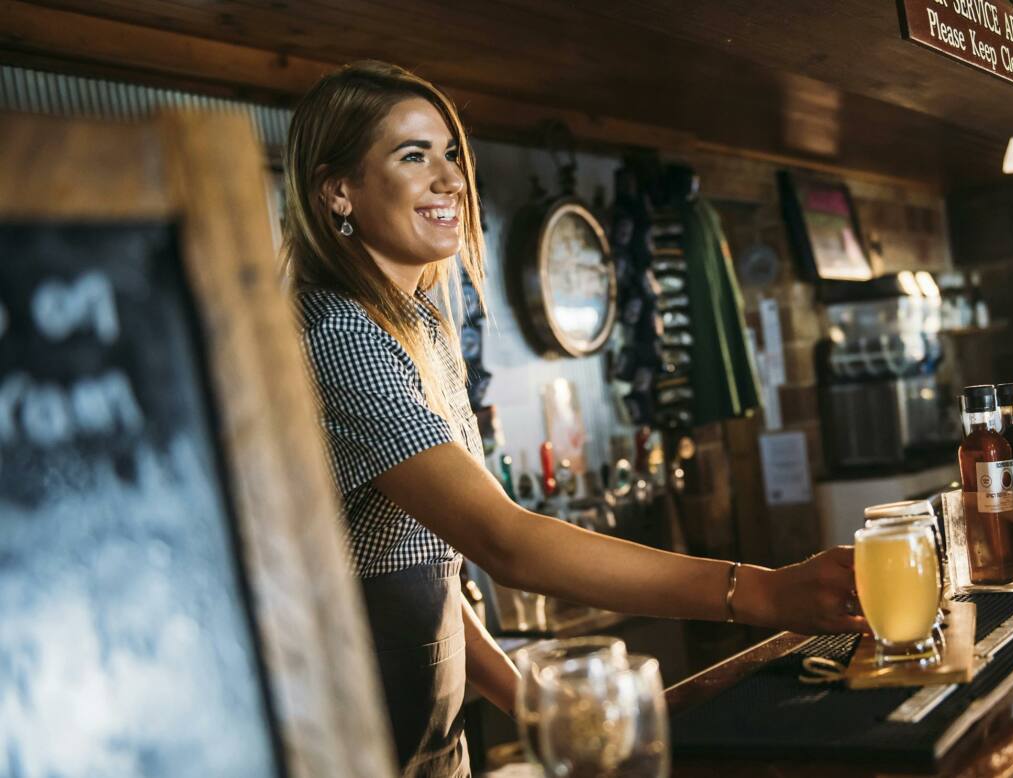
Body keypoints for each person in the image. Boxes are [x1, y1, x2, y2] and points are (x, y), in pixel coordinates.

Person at [284, 61, 866, 778]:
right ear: (337, 190)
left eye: (451, 154)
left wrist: (528, 699)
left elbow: (420, 567)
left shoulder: (417, 330)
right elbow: (506, 542)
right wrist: (763, 591)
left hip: (432, 745)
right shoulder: (338, 337)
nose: (450, 180)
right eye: (413, 156)